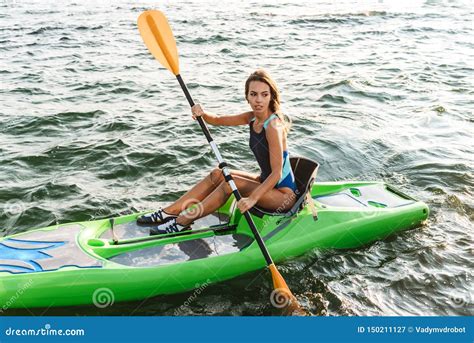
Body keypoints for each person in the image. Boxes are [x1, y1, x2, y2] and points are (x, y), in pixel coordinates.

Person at [137, 69, 297, 235]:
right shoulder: (252, 118)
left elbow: (277, 173)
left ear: (271, 96)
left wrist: (252, 199)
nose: (258, 100)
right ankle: (169, 212)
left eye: (264, 94)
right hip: (264, 182)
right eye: (253, 94)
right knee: (218, 174)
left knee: (230, 183)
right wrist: (202, 113)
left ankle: (181, 222)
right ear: (246, 96)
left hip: (283, 196)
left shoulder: (273, 126)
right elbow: (219, 119)